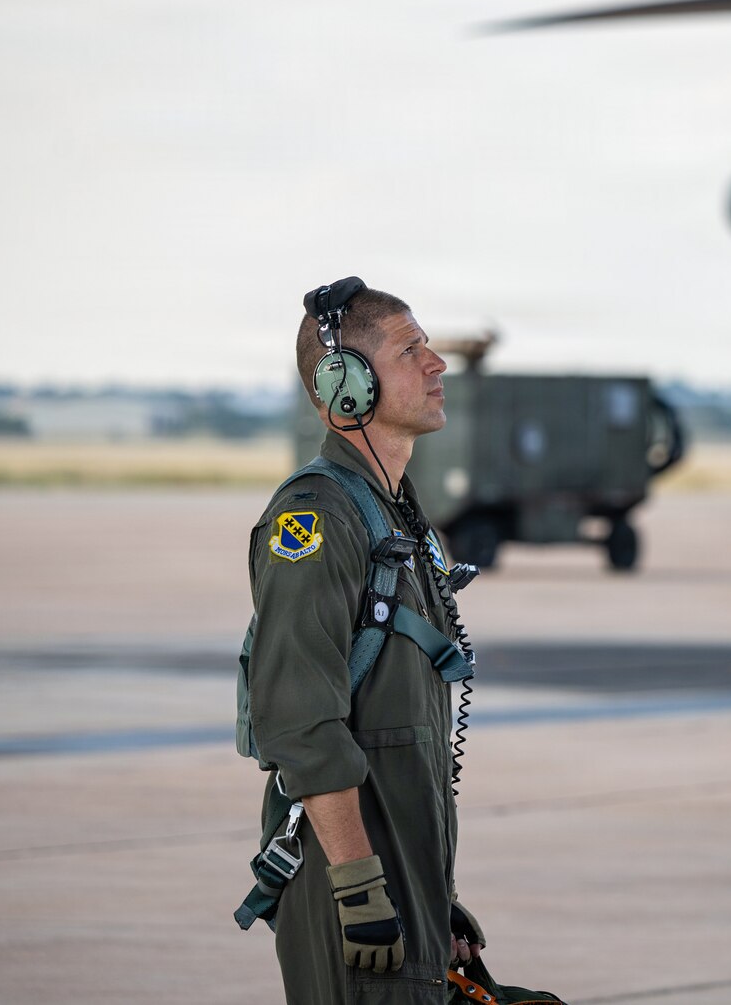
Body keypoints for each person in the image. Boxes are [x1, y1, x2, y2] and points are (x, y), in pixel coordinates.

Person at [244, 278, 558, 1004]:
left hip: (401, 888)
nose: (436, 362)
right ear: (343, 383)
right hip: (351, 892)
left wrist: (431, 898)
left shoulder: (399, 522)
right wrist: (359, 888)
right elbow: (300, 723)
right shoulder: (315, 521)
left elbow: (399, 735)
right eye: (410, 349)